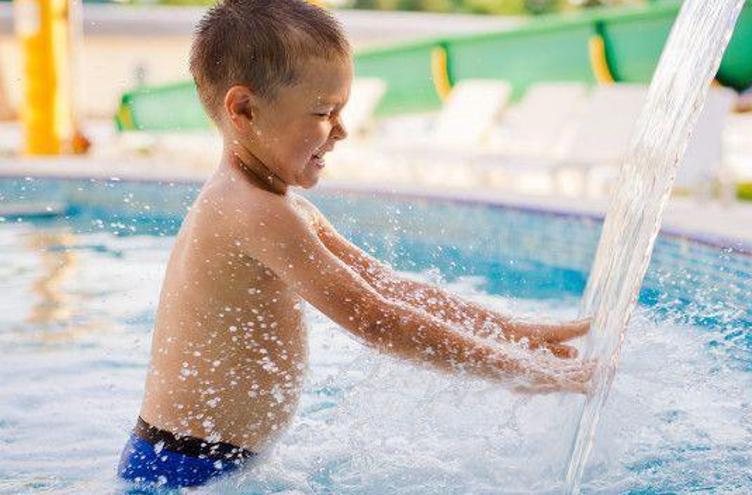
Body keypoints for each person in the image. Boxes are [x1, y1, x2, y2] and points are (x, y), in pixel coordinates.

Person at [117, 0, 592, 488]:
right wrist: (519, 372)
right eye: (325, 112)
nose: (342, 130)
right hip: (180, 471)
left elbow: (390, 289)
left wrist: (515, 333)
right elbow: (375, 319)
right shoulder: (251, 211)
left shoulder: (281, 206)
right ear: (244, 109)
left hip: (205, 461)